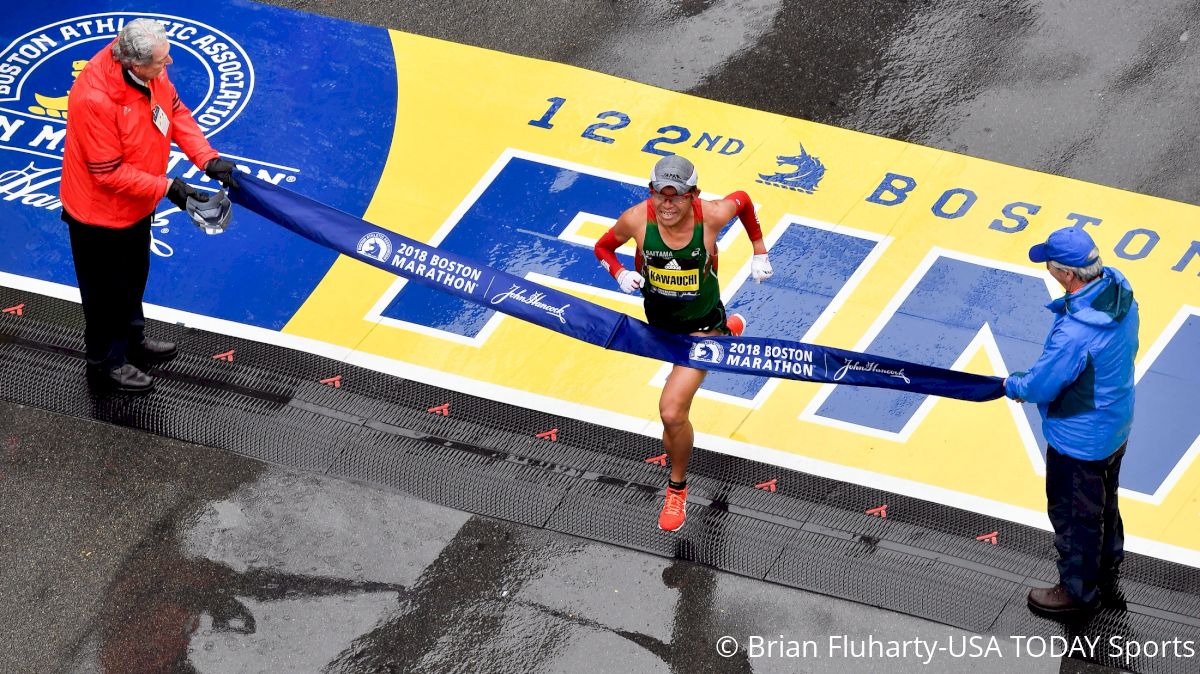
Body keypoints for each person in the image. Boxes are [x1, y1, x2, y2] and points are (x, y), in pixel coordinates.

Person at [60, 18, 240, 394]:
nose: (168, 64)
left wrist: (207, 159)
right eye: (160, 61)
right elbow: (107, 174)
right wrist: (169, 187)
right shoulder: (95, 99)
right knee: (103, 295)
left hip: (137, 203)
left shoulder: (149, 74)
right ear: (134, 64)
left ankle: (131, 340)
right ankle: (106, 364)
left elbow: (175, 111)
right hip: (98, 216)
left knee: (133, 277)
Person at [594, 154, 772, 531]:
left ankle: (676, 489)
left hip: (699, 330)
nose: (667, 204)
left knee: (672, 412)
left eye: (676, 196)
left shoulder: (711, 216)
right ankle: (732, 334)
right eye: (660, 194)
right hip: (658, 325)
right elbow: (603, 248)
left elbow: (742, 198)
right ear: (651, 192)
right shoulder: (636, 219)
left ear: (694, 194)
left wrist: (759, 250)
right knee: (677, 396)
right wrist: (620, 272)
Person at [1004, 226, 1138, 616]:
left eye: (1050, 262)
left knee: (1075, 514)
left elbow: (1041, 384)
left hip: (1079, 438)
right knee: (1105, 499)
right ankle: (1108, 561)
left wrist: (1012, 385)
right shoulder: (1120, 291)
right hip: (1115, 422)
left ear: (1066, 274)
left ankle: (1078, 592)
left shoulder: (1076, 333)